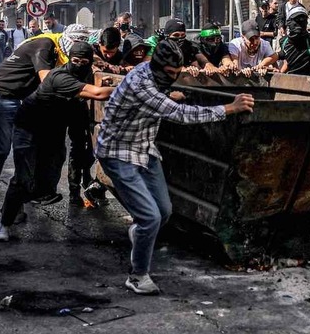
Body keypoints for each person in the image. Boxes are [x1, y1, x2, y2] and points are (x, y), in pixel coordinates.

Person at [96, 38, 255, 294]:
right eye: (170, 74)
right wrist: (229, 108)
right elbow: (180, 114)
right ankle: (137, 276)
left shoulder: (154, 77)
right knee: (150, 217)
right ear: (157, 68)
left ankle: (140, 234)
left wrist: (171, 93)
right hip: (118, 152)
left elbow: (164, 97)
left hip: (144, 148)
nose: (173, 78)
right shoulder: (141, 83)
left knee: (164, 211)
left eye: (177, 73)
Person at [0, 42, 114, 241]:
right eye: (75, 61)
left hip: (52, 131)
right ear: (68, 59)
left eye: (85, 62)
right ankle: (4, 224)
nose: (80, 64)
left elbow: (92, 87)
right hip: (29, 127)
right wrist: (127, 87)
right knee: (23, 176)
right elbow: (97, 94)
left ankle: (20, 201)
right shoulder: (58, 77)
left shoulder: (84, 75)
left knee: (47, 181)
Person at [0, 23, 91, 216]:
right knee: (1, 151)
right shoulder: (45, 45)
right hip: (5, 94)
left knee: (28, 152)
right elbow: (48, 80)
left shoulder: (62, 53)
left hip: (27, 99)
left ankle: (16, 204)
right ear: (66, 39)